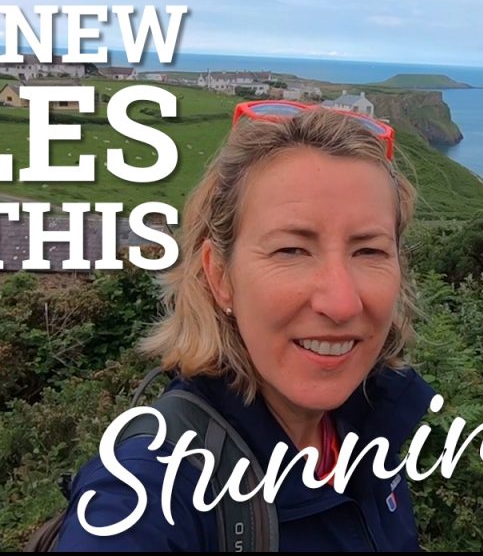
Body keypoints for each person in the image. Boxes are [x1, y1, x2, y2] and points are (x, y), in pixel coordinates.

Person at [53, 100, 436, 551]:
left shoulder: (369, 427)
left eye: (369, 251)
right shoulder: (149, 487)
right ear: (220, 277)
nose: (341, 302)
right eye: (291, 250)